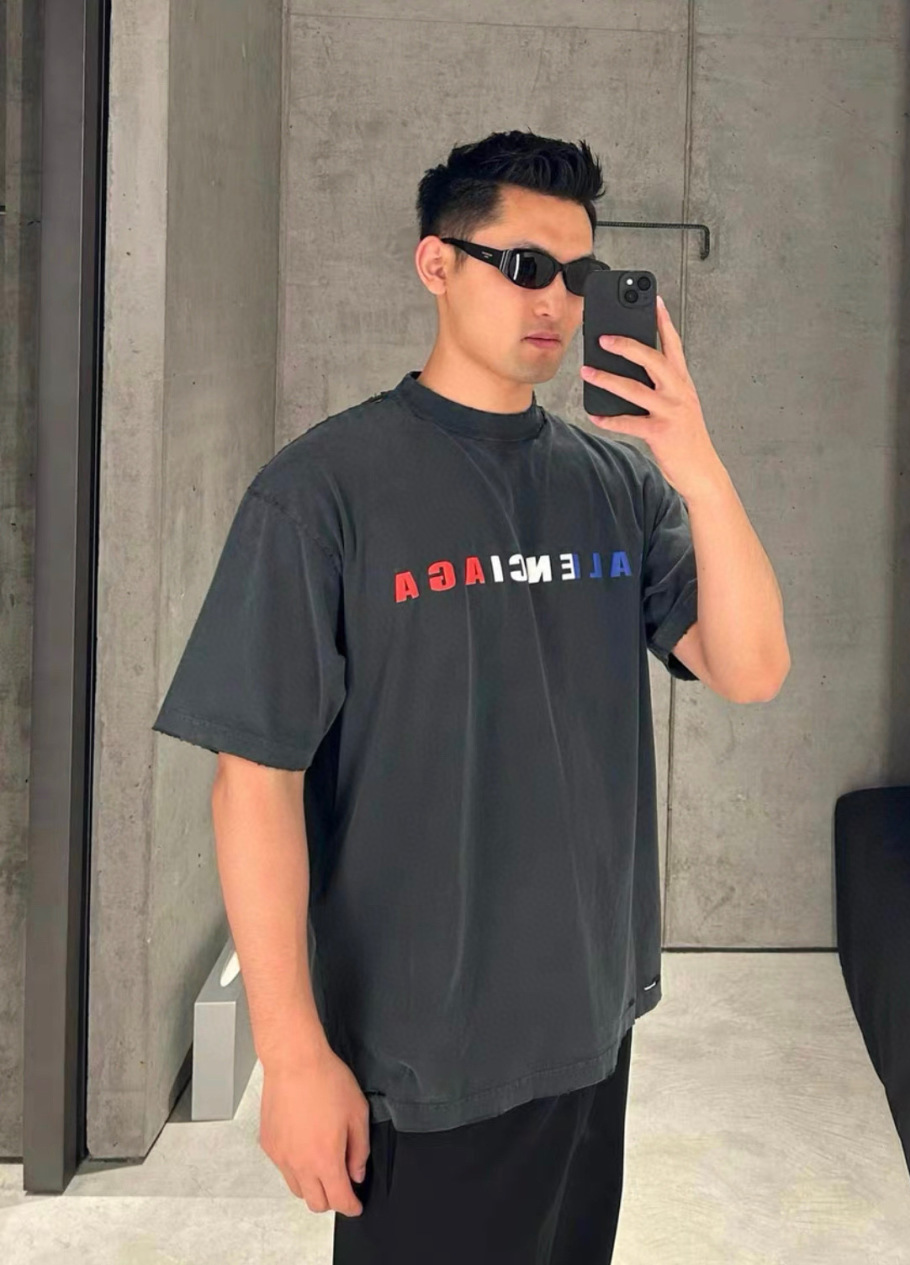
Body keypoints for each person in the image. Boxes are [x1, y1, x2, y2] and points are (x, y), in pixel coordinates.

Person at [152, 129, 703, 1264]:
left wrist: (693, 456)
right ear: (436, 264)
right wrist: (291, 1056)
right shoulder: (320, 492)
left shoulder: (616, 485)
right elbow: (253, 784)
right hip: (422, 1062)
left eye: (579, 274)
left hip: (589, 1031)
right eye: (525, 265)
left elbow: (750, 663)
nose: (556, 301)